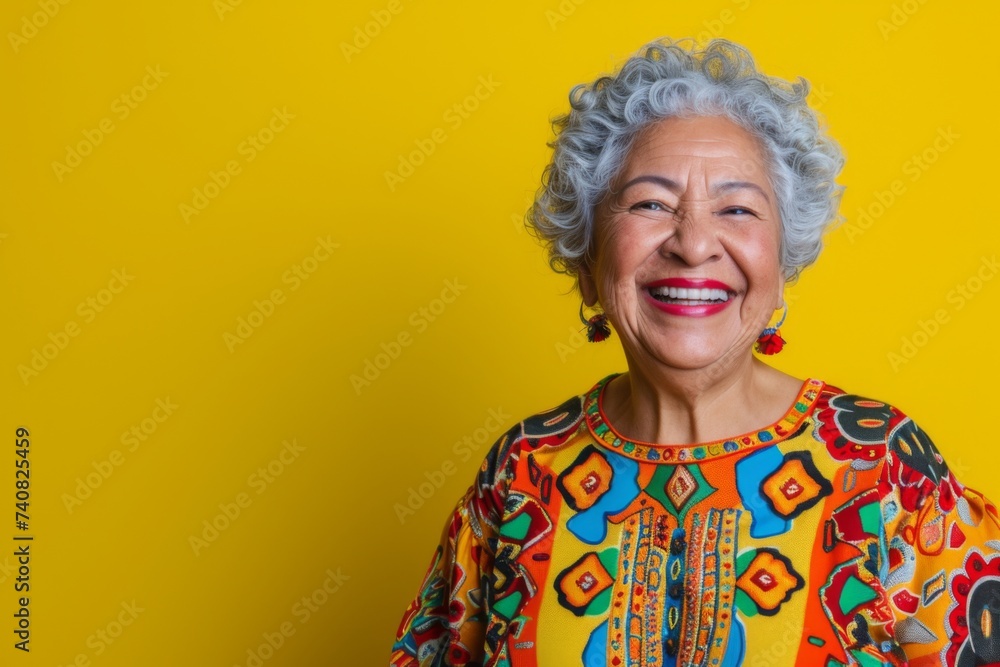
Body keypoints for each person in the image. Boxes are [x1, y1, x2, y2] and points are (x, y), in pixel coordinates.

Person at [388, 36, 1000, 667]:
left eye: (737, 208)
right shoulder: (521, 476)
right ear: (587, 263)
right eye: (652, 203)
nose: (694, 243)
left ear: (780, 267)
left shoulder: (880, 470)